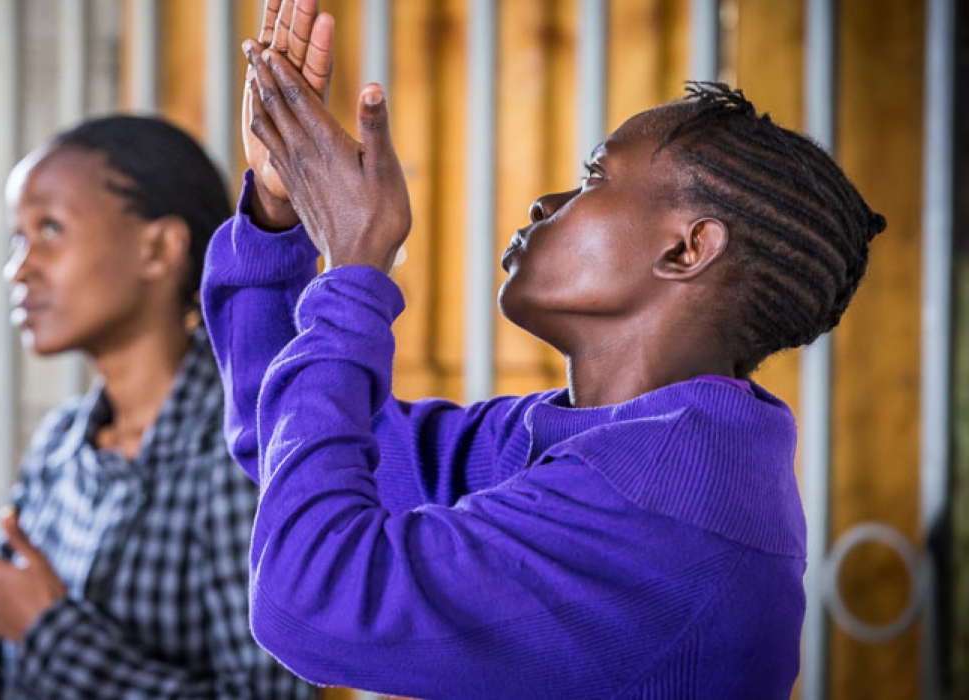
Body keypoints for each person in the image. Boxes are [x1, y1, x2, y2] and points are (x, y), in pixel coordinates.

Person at [201, 2, 886, 698]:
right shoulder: (598, 441)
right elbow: (288, 434)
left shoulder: (662, 504)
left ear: (686, 249)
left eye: (594, 178)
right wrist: (276, 216)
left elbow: (311, 602)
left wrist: (355, 268)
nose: (544, 204)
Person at [0, 115, 314, 699]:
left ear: (159, 247)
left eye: (49, 229)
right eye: (17, 239)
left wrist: (47, 630)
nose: (18, 269)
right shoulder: (62, 444)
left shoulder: (236, 454)